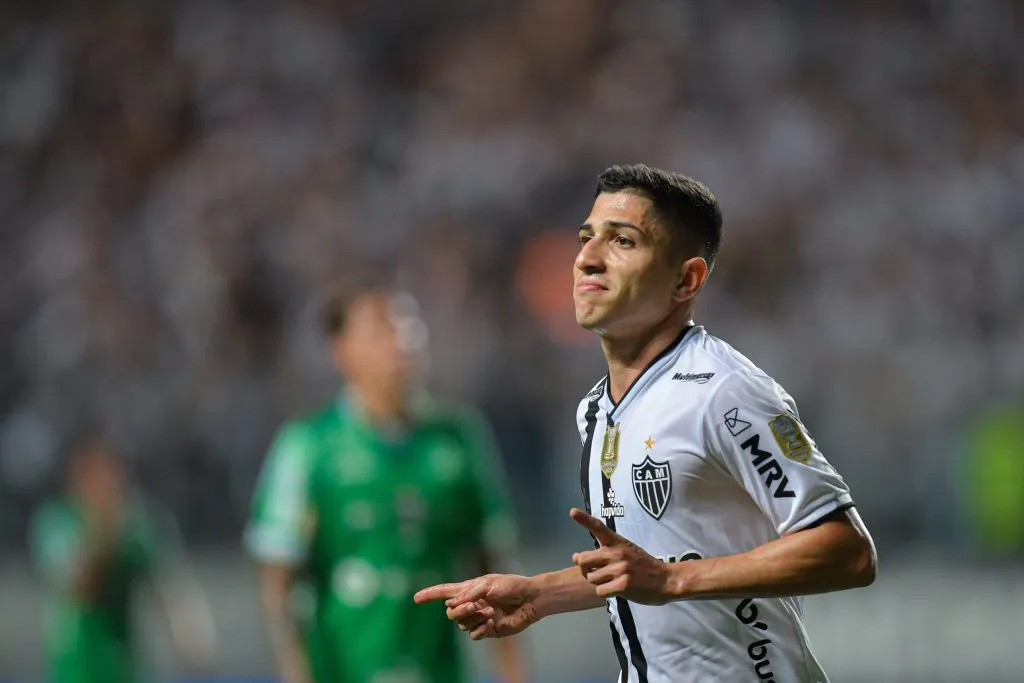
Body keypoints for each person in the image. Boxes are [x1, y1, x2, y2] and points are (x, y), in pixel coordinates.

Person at [415, 164, 878, 682]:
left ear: (687, 279)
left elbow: (848, 551)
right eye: (586, 238)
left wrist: (673, 579)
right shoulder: (596, 408)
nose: (588, 259)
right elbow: (645, 569)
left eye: (623, 242)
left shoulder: (724, 391)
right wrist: (540, 593)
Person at [244, 282, 527, 683]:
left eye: (409, 325)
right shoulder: (308, 446)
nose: (403, 340)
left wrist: (513, 672)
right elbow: (278, 580)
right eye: (382, 329)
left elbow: (492, 564)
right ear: (341, 350)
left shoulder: (458, 438)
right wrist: (296, 672)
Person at [30, 435, 217, 683]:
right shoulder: (57, 522)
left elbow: (168, 586)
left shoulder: (137, 527)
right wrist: (103, 533)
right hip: (74, 669)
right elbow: (78, 585)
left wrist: (191, 638)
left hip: (124, 669)